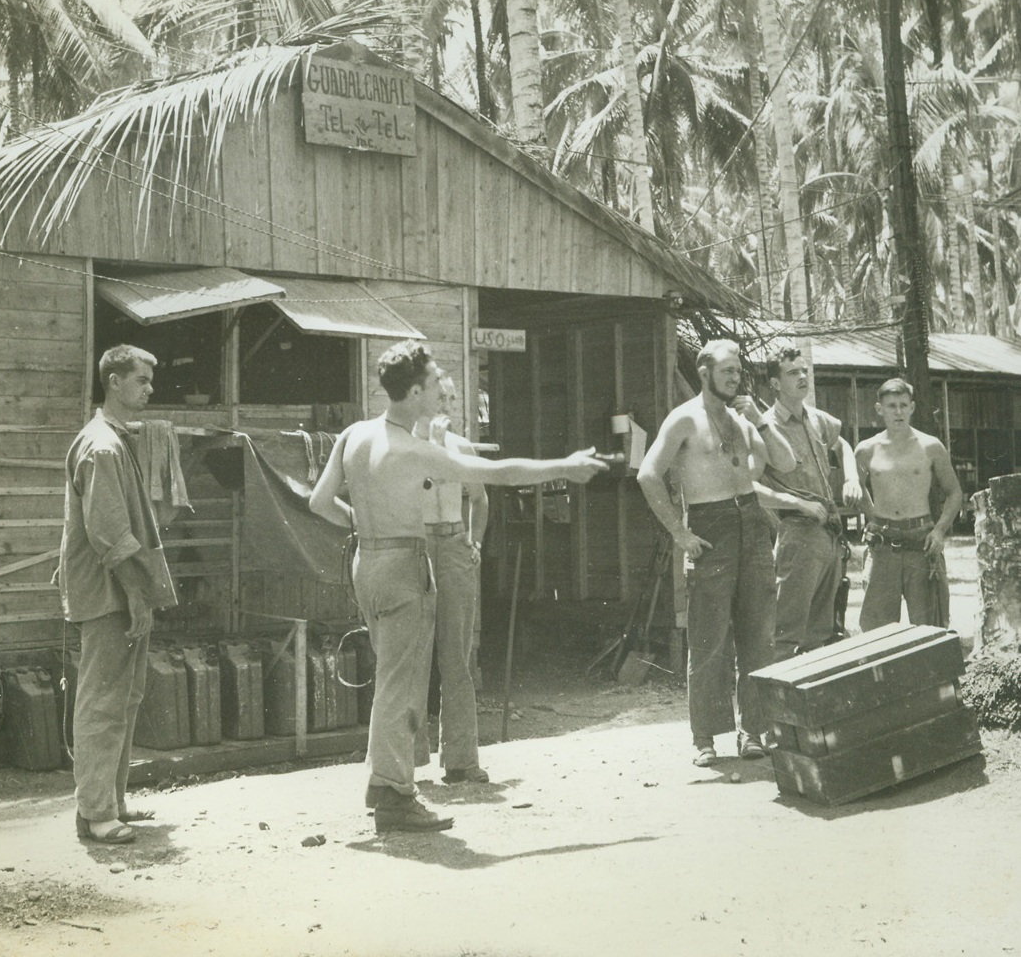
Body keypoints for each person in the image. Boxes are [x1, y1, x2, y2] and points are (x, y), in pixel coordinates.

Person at [309, 341, 605, 833]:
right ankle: (394, 795)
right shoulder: (411, 447)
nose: (441, 388)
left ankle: (384, 784)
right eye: (434, 381)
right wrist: (564, 467)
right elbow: (496, 472)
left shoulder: (355, 434)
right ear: (416, 391)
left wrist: (363, 525)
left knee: (393, 677)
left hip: (367, 562)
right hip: (403, 563)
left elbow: (320, 503)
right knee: (400, 687)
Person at [636, 339, 797, 767]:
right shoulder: (683, 419)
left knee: (757, 635)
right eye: (727, 370)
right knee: (709, 638)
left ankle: (754, 731)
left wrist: (759, 419)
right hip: (710, 525)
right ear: (705, 373)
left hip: (751, 522)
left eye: (738, 370)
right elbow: (647, 475)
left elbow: (786, 462)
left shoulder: (742, 420)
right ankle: (705, 737)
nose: (735, 377)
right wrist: (680, 533)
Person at [57, 345, 177, 844]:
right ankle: (96, 814)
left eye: (150, 380)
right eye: (142, 380)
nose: (150, 388)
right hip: (108, 593)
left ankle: (111, 803)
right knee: (103, 702)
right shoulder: (102, 447)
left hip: (118, 591)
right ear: (113, 381)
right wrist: (136, 595)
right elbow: (108, 533)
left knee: (124, 698)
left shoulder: (115, 439)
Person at [756, 346, 863, 660]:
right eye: (793, 373)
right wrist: (796, 503)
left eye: (803, 371)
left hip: (829, 532)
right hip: (797, 533)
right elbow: (747, 485)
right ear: (775, 383)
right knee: (785, 635)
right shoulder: (766, 427)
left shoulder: (816, 418)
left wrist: (851, 477)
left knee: (820, 633)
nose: (803, 377)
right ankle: (773, 707)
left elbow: (842, 444)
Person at [411, 373, 490, 784]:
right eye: (440, 397)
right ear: (422, 398)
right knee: (413, 654)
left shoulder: (462, 447)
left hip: (454, 543)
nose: (447, 405)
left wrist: (473, 542)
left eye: (453, 399)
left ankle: (461, 760)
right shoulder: (407, 444)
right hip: (418, 547)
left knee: (456, 655)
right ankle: (407, 762)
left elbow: (479, 498)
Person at [855, 379, 962, 631]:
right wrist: (872, 515)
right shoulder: (866, 450)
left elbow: (954, 492)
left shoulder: (931, 446)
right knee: (877, 630)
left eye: (904, 405)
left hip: (921, 542)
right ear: (879, 409)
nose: (898, 412)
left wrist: (939, 530)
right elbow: (855, 486)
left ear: (912, 407)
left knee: (930, 627)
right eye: (891, 406)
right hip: (882, 546)